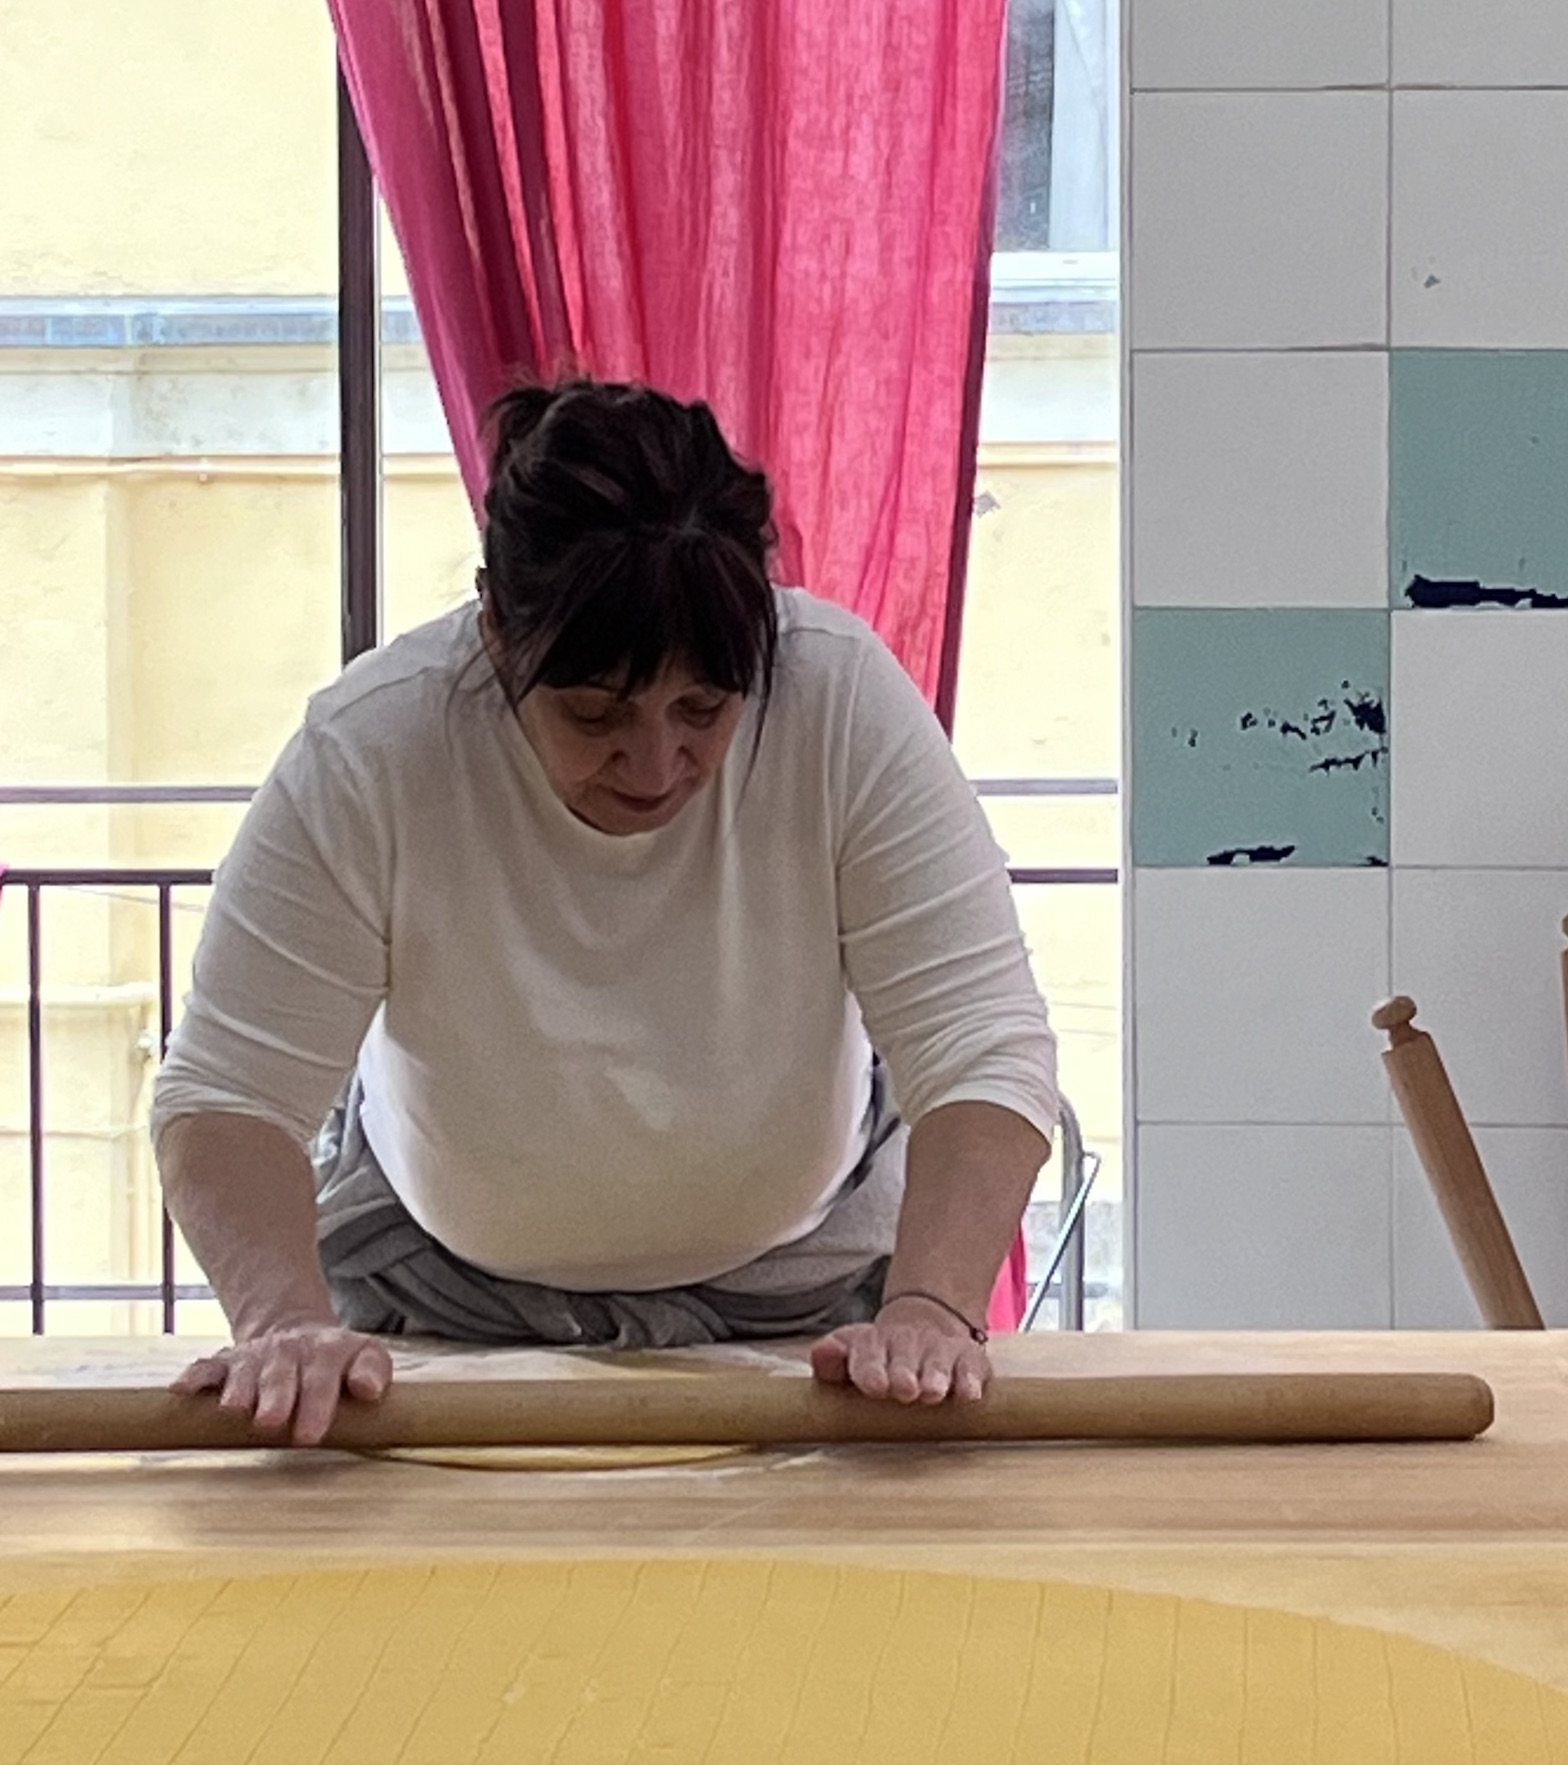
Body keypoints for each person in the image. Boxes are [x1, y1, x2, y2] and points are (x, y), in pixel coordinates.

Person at [152, 377, 1059, 1445]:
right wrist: (283, 1324)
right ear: (497, 630)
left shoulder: (841, 700)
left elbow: (983, 1050)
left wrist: (932, 1307)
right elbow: (228, 1095)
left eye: (703, 707)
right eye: (595, 714)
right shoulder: (372, 748)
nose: (657, 762)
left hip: (807, 1303)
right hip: (433, 1304)